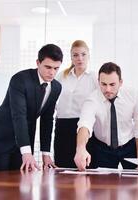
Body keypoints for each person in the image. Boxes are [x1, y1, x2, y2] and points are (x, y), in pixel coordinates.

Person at [0, 44, 63, 172]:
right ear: (38, 63)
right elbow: (19, 115)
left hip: (23, 140)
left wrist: (46, 154)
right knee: (0, 185)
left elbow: (47, 120)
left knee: (21, 183)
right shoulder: (20, 79)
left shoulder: (56, 87)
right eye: (47, 67)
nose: (52, 72)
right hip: (1, 138)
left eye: (56, 68)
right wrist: (26, 152)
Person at [74, 62, 138, 171]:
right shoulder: (92, 99)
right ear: (98, 82)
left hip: (129, 146)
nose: (107, 89)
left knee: (136, 183)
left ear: (120, 82)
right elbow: (85, 124)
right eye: (103, 84)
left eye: (112, 84)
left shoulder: (133, 95)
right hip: (103, 149)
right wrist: (80, 149)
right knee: (104, 184)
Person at [54, 40, 97, 168]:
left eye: (83, 54)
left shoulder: (94, 77)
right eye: (76, 55)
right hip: (62, 125)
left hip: (83, 127)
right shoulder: (61, 76)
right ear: (71, 57)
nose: (80, 58)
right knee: (62, 167)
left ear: (88, 56)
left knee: (84, 168)